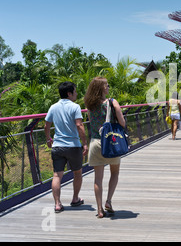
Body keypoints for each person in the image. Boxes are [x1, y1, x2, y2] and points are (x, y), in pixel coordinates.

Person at [84, 77, 126, 218]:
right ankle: (108, 201)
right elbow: (122, 123)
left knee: (98, 179)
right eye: (107, 86)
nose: (108, 88)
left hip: (95, 142)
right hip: (111, 142)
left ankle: (99, 209)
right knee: (114, 173)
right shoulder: (112, 102)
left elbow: (91, 122)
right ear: (101, 88)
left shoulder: (89, 105)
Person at [44, 81, 88, 213]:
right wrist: (85, 142)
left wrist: (48, 139)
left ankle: (57, 204)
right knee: (77, 173)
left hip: (57, 146)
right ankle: (75, 199)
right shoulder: (75, 107)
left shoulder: (53, 107)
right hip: (73, 146)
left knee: (57, 175)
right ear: (69, 93)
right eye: (74, 91)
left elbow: (46, 125)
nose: (76, 94)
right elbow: (79, 125)